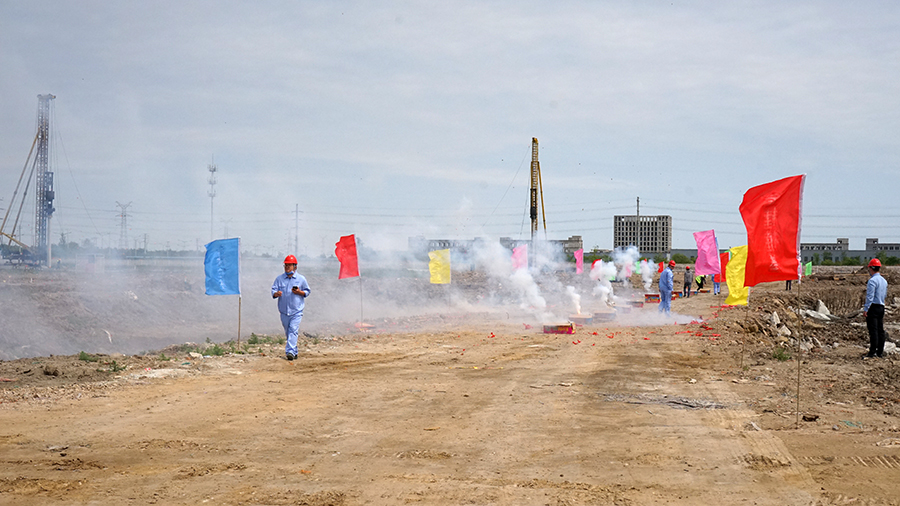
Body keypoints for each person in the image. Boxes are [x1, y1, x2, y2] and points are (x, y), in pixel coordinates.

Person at [272, 254, 311, 361]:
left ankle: (289, 351)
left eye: (289, 265)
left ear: (295, 266)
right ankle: (294, 351)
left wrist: (299, 292)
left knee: (293, 329)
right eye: (285, 265)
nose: (287, 267)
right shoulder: (279, 279)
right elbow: (273, 290)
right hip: (284, 311)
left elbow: (307, 291)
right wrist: (276, 294)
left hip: (296, 311)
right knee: (288, 331)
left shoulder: (301, 279)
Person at [863, 258, 888, 359]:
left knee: (873, 330)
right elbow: (884, 295)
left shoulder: (872, 281)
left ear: (871, 268)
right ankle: (880, 352)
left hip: (873, 307)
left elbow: (870, 296)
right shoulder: (884, 281)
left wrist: (866, 309)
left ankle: (872, 352)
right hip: (881, 306)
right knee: (880, 330)